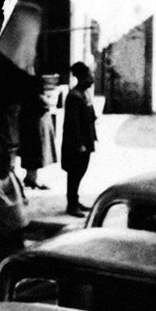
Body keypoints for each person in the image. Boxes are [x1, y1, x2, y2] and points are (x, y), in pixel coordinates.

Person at [62, 62, 96, 215]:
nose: (91, 79)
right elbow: (73, 124)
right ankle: (72, 205)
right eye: (89, 76)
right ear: (81, 77)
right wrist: (79, 144)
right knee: (75, 173)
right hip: (77, 144)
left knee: (80, 172)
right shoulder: (74, 96)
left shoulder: (84, 94)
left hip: (86, 141)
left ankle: (75, 201)